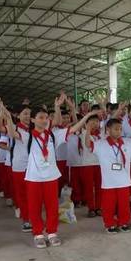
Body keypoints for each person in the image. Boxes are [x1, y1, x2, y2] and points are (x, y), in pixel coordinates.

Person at [23, 104, 97, 248]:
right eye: (40, 118)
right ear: (33, 120)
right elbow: (10, 132)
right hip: (34, 177)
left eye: (46, 118)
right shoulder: (27, 136)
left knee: (52, 206)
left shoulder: (53, 135)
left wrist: (87, 116)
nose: (44, 120)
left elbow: (74, 128)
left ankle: (52, 232)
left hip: (51, 176)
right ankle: (38, 233)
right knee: (34, 206)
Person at [90, 118, 131, 233]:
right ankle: (109, 224)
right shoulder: (100, 144)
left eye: (120, 129)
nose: (118, 131)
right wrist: (87, 129)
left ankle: (124, 222)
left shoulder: (127, 143)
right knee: (108, 205)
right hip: (109, 182)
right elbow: (88, 145)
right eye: (115, 129)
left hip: (124, 181)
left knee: (124, 204)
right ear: (108, 130)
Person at [0, 103, 32, 231]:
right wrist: (3, 112)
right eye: (25, 113)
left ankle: (33, 217)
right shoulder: (16, 128)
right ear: (18, 115)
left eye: (29, 113)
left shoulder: (34, 128)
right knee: (22, 195)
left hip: (33, 167)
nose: (28, 116)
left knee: (32, 195)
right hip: (19, 166)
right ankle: (26, 219)